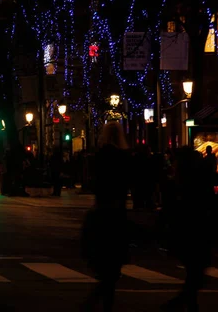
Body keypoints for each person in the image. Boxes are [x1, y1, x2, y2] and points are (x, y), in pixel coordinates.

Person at [81, 122, 130, 312]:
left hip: (102, 211)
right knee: (113, 267)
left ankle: (95, 302)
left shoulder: (100, 156)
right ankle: (101, 303)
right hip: (118, 213)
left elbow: (96, 182)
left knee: (105, 265)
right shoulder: (124, 157)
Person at [162, 148, 214, 312]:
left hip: (184, 232)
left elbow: (168, 209)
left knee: (194, 273)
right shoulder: (198, 182)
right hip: (197, 231)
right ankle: (182, 303)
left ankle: (185, 303)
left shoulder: (177, 182)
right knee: (196, 274)